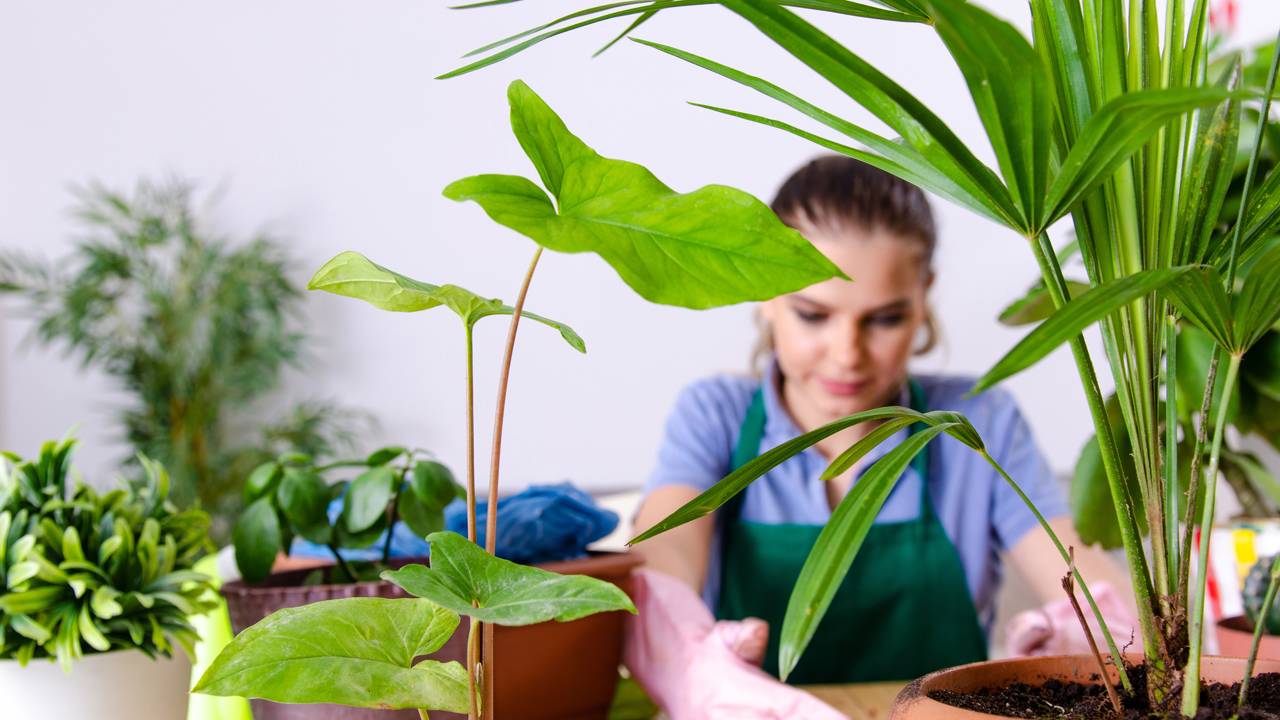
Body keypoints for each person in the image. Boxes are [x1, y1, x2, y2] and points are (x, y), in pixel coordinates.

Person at [623, 156, 1136, 719]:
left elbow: (1077, 569)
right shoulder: (715, 415)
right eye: (813, 315)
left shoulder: (979, 422)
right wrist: (685, 650)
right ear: (765, 293)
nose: (848, 354)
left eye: (884, 319)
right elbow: (664, 554)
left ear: (923, 297)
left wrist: (1098, 633)